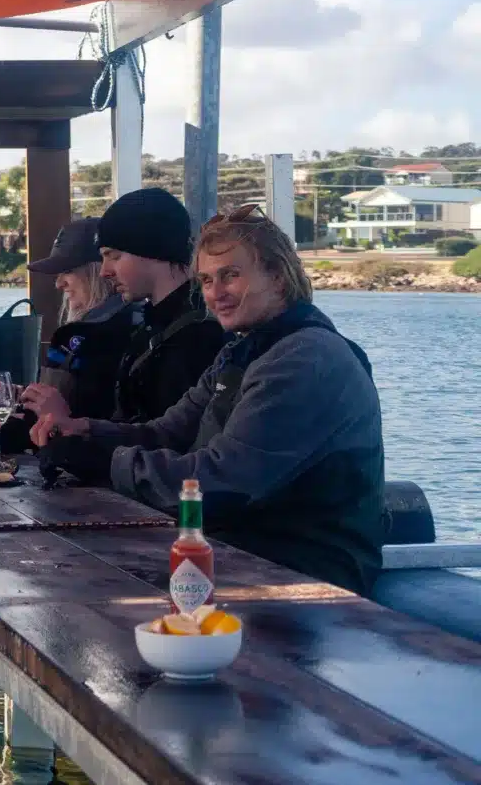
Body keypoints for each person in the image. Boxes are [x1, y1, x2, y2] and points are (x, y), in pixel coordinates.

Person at [38, 207, 386, 593]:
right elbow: (168, 433)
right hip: (241, 548)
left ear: (278, 276)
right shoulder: (243, 350)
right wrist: (85, 432)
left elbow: (222, 483)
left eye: (230, 276)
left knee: (85, 584)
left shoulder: (304, 359)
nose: (215, 293)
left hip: (305, 567)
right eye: (205, 280)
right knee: (63, 567)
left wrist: (107, 462)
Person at [22, 187, 224, 455]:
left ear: (151, 250)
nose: (105, 271)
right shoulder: (154, 324)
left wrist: (73, 422)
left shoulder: (196, 335)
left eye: (114, 256)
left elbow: (170, 441)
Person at [23, 217, 138, 425]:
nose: (59, 283)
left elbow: (85, 410)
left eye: (67, 271)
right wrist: (5, 391)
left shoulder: (109, 334)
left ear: (98, 272)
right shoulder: (124, 322)